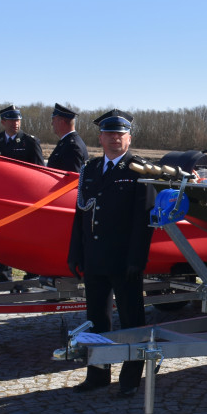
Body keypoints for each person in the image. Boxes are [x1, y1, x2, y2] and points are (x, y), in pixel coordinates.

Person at [67, 109, 155, 397]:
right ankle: (98, 375)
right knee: (96, 320)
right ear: (100, 138)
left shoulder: (139, 171)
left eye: (120, 134)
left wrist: (136, 261)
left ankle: (130, 380)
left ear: (128, 138)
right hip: (95, 259)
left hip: (124, 262)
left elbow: (144, 224)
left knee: (132, 321)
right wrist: (75, 253)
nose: (115, 139)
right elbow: (80, 216)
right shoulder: (90, 170)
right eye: (109, 134)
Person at [0, 105, 45, 282]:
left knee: (26, 237)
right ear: (3, 122)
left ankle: (32, 273)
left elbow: (40, 172)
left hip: (22, 198)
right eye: (11, 120)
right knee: (0, 236)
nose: (15, 124)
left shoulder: (30, 141)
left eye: (18, 120)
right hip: (0, 196)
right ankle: (4, 273)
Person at [47, 103, 88, 172]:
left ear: (61, 122)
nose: (52, 123)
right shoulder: (66, 142)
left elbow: (71, 179)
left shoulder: (72, 146)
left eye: (53, 119)